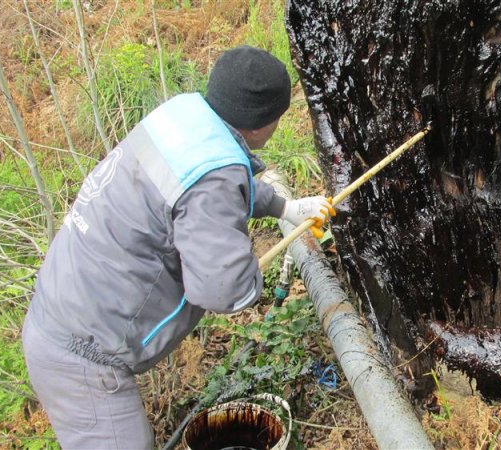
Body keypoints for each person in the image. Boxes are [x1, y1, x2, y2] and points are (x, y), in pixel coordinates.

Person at [21, 46, 333, 449]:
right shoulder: (214, 176)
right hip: (84, 357)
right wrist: (249, 281)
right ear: (263, 123)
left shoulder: (184, 117)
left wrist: (285, 206)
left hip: (62, 312)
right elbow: (223, 290)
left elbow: (205, 186)